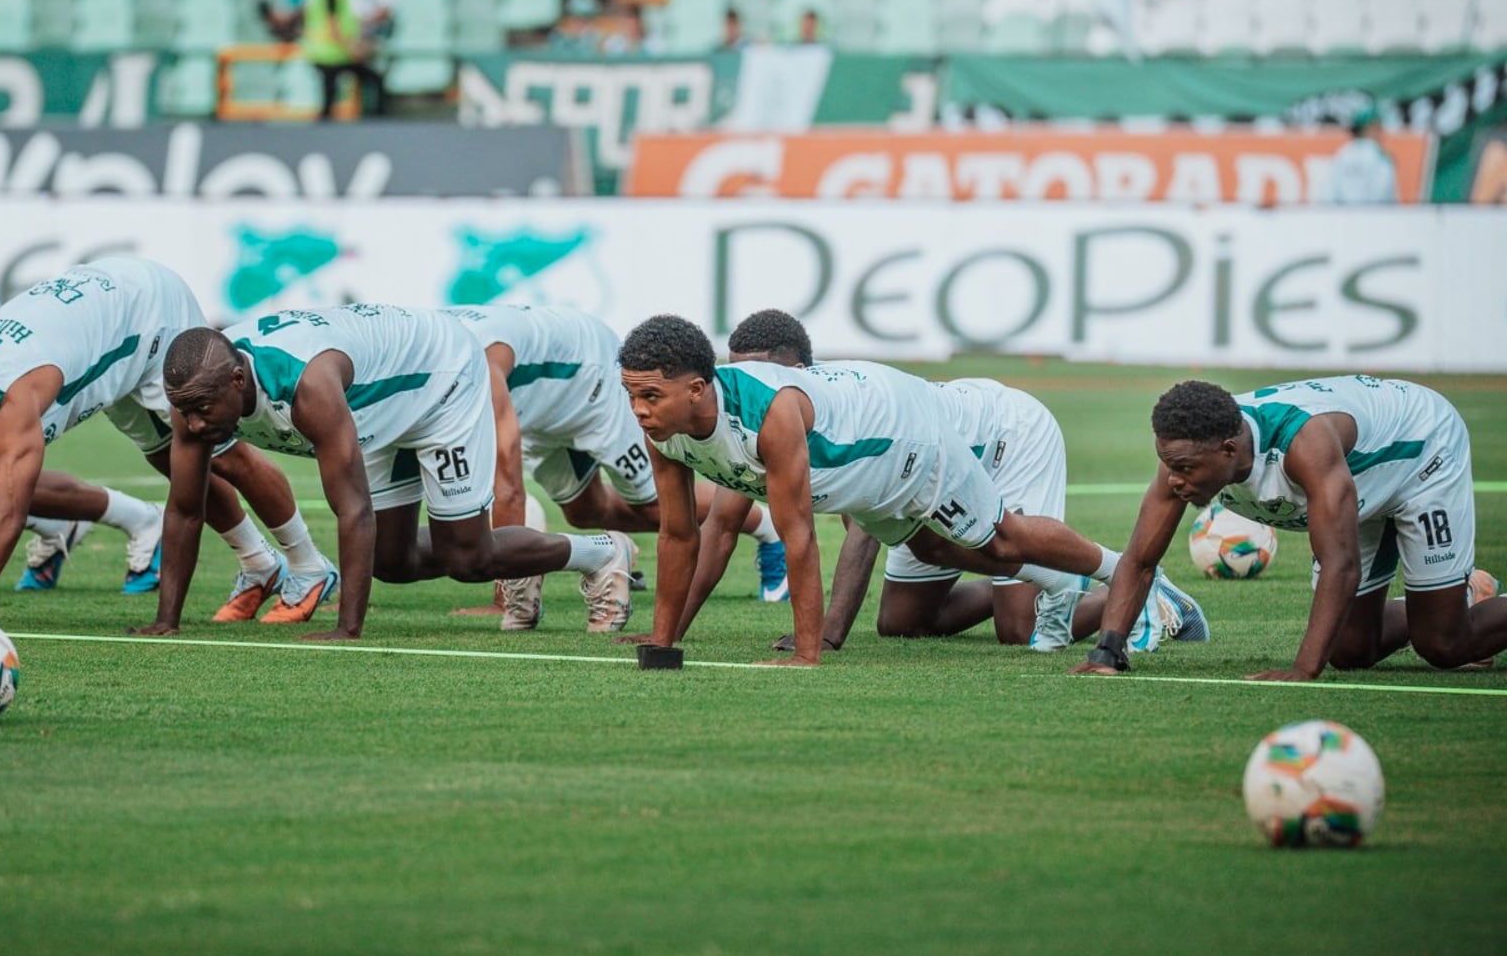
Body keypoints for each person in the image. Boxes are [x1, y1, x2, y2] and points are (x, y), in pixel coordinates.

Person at [617, 316, 1197, 666]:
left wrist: (809, 648)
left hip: (907, 436)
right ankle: (1068, 586)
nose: (638, 411)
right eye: (632, 396)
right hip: (872, 471)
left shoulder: (772, 413)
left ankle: (1133, 579)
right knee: (933, 550)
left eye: (649, 396)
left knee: (1001, 540)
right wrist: (664, 639)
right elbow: (679, 533)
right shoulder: (667, 429)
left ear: (697, 388)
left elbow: (799, 537)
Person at [0, 257, 330, 627]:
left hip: (148, 311)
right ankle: (260, 565)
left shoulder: (12, 406)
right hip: (103, 333)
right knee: (170, 464)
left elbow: (7, 514)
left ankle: (308, 567)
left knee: (216, 453)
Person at [143, 304, 637, 641]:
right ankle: (521, 554)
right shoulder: (195, 393)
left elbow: (352, 509)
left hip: (441, 381)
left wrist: (347, 629)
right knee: (390, 562)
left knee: (468, 558)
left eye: (203, 409)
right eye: (184, 411)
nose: (193, 424)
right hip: (375, 403)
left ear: (237, 380)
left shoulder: (308, 388)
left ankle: (601, 551)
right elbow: (186, 509)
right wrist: (167, 621)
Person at [1074, 377, 1505, 680]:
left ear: (1229, 450)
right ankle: (1458, 595)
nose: (1172, 480)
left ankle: (1448, 607)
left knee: (1445, 645)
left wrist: (1302, 669)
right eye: (1168, 465)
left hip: (1420, 454)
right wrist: (1108, 651)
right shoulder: (1186, 451)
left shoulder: (1304, 445)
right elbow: (1140, 558)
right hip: (1355, 481)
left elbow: (1341, 564)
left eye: (1184, 469)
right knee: (1351, 651)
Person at [442, 304, 788, 629]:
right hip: (543, 406)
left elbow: (509, 485)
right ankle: (608, 556)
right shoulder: (436, 349)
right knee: (584, 512)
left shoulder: (475, 357)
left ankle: (769, 528)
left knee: (653, 504)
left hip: (591, 379)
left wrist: (506, 600)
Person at [300, 0, 385, 120]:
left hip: (334, 52)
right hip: (328, 52)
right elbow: (333, 26)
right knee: (333, 98)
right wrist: (352, 48)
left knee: (336, 97)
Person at [1325, 108, 1398, 205]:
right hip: (1374, 216)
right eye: (1377, 127)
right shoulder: (1380, 155)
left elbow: (1330, 192)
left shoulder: (1343, 153)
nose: (1381, 132)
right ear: (1368, 129)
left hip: (1343, 216)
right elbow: (1386, 193)